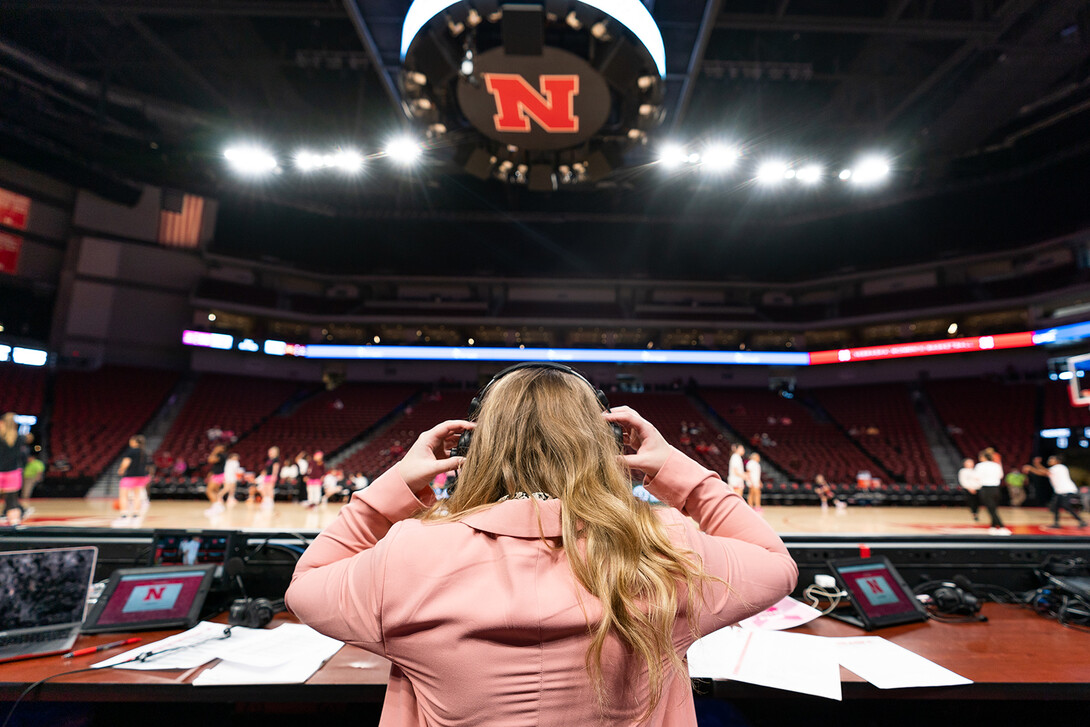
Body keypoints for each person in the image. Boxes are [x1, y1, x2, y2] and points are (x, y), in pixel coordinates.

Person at [285, 364, 796, 726]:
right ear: (604, 449)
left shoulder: (405, 554)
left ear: (471, 451)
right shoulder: (666, 549)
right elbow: (777, 564)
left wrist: (387, 493)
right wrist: (681, 476)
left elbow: (305, 586)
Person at [1031, 456, 1087, 529]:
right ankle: (1056, 524)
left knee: (1066, 506)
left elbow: (1044, 472)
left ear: (1058, 461)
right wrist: (1036, 465)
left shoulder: (1060, 467)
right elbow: (1043, 472)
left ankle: (1081, 521)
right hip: (1060, 491)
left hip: (1066, 490)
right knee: (1055, 507)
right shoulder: (1054, 469)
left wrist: (1033, 467)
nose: (1049, 460)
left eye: (1052, 459)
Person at [116, 435, 151, 525]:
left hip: (130, 476)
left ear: (135, 442)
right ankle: (136, 513)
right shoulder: (144, 452)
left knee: (123, 495)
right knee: (137, 495)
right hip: (142, 476)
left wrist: (121, 470)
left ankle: (124, 514)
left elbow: (126, 462)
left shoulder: (131, 451)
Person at [974, 449, 1009, 535]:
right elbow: (1001, 476)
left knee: (991, 509)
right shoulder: (996, 465)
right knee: (993, 507)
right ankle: (993, 526)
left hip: (986, 488)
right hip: (996, 489)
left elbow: (976, 476)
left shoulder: (980, 465)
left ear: (984, 457)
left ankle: (1001, 526)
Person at [0, 413, 24, 526]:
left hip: (1, 472)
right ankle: (15, 522)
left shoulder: (1, 438)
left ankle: (7, 515)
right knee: (12, 500)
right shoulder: (20, 438)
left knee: (8, 499)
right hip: (13, 472)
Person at [204, 445, 227, 516]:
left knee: (209, 491)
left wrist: (214, 451)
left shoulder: (221, 455)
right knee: (215, 491)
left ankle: (216, 506)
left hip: (218, 476)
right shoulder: (222, 456)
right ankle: (219, 506)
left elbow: (210, 460)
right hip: (219, 475)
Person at [958, 458, 981, 522]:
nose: (970, 464)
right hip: (968, 489)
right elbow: (963, 481)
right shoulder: (963, 471)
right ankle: (974, 514)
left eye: (971, 462)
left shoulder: (976, 471)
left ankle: (976, 512)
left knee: (978, 502)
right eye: (968, 462)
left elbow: (980, 480)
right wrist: (969, 488)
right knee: (972, 502)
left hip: (978, 488)